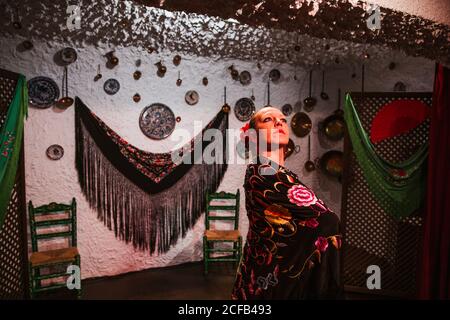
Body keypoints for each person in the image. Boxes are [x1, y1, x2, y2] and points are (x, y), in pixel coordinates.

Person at [231, 106, 342, 300]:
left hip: (264, 275)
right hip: (269, 280)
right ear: (254, 137)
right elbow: (326, 220)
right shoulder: (262, 174)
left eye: (282, 120)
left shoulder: (280, 174)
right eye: (268, 120)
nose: (278, 122)